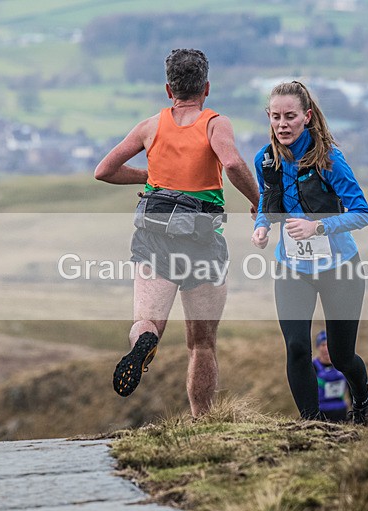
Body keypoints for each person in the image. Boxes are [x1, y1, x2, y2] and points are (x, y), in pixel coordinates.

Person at [94, 49, 260, 417]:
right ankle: (202, 419)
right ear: (207, 88)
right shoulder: (215, 123)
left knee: (146, 321)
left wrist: (150, 177)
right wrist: (258, 201)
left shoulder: (150, 126)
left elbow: (103, 170)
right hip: (201, 239)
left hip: (154, 234)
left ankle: (145, 341)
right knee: (202, 343)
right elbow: (232, 163)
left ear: (169, 90)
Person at [251, 80, 368, 426]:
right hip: (293, 268)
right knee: (296, 347)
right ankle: (312, 424)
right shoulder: (265, 159)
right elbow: (266, 200)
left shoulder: (329, 159)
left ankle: (363, 400)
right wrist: (262, 225)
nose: (282, 124)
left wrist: (317, 227)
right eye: (276, 117)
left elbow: (362, 213)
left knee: (341, 356)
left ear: (306, 117)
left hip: (340, 268)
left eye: (290, 116)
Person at [313, 330, 350, 422]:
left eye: (329, 344)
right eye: (323, 345)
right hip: (321, 412)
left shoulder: (343, 365)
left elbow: (352, 389)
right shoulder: (313, 367)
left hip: (341, 411)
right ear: (318, 347)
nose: (326, 348)